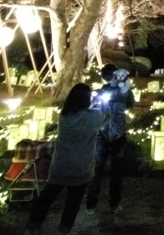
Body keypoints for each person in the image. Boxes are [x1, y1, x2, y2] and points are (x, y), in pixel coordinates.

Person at [26, 83, 107, 234]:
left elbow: (81, 114)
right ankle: (64, 229)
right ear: (87, 99)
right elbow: (105, 117)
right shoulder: (94, 116)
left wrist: (91, 103)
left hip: (60, 166)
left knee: (47, 197)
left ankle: (33, 226)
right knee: (73, 201)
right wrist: (98, 102)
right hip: (81, 167)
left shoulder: (64, 116)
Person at [86, 64, 135, 215]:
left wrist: (124, 91)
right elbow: (92, 106)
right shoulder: (102, 90)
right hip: (102, 133)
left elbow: (130, 104)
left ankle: (114, 203)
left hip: (118, 134)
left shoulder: (125, 90)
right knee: (96, 170)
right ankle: (91, 204)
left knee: (116, 171)